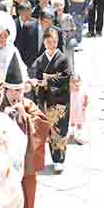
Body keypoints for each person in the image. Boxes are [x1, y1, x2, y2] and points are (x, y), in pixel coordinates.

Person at [0, 54, 50, 208]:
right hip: (3, 161)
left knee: (27, 191)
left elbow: (42, 124)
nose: (15, 94)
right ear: (4, 90)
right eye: (11, 91)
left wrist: (25, 116)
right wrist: (3, 118)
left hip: (25, 158)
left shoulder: (29, 105)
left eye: (18, 90)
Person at [30, 28, 72, 175]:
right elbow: (35, 75)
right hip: (46, 100)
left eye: (54, 41)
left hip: (60, 100)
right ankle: (51, 158)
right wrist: (37, 82)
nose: (51, 44)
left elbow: (66, 77)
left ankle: (59, 160)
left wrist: (48, 80)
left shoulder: (63, 58)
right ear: (44, 42)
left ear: (58, 41)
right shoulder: (40, 59)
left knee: (59, 129)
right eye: (48, 41)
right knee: (48, 129)